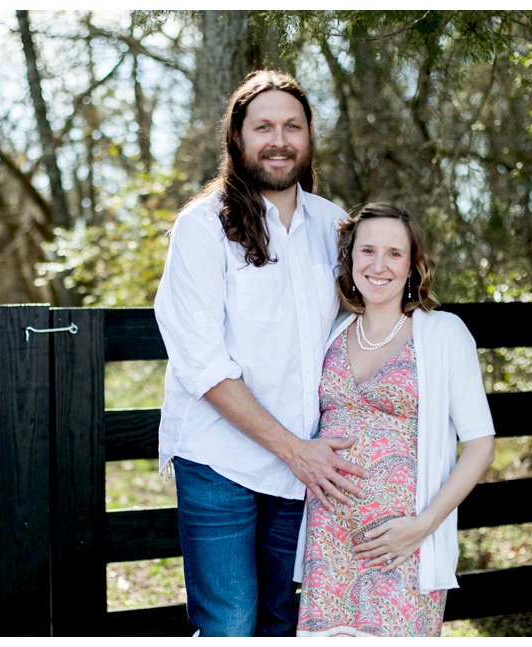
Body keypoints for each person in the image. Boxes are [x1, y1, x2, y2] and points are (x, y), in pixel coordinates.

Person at [154, 70, 370, 637]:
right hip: (220, 459)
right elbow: (202, 363)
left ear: (308, 137)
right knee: (230, 623)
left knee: (286, 621)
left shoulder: (333, 224)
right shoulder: (202, 228)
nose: (279, 140)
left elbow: (364, 327)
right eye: (264, 126)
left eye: (292, 126)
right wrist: (295, 451)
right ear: (237, 138)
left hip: (305, 465)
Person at [295, 202, 496, 637]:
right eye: (367, 251)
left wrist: (423, 526)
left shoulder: (443, 333)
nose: (379, 265)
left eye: (394, 253)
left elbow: (481, 446)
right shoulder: (329, 333)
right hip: (327, 539)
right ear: (350, 261)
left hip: (403, 542)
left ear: (412, 265)